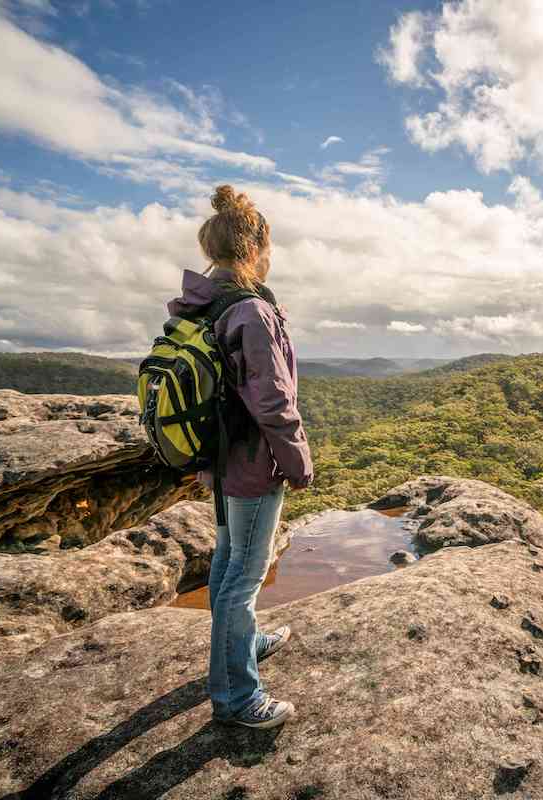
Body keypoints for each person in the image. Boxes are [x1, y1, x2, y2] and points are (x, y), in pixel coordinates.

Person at [167, 185, 313, 729]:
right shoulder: (251, 310)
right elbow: (272, 402)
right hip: (252, 465)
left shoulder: (207, 304)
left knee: (228, 563)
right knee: (241, 578)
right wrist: (298, 462)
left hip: (222, 461)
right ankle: (235, 698)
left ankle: (245, 643)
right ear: (254, 249)